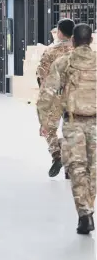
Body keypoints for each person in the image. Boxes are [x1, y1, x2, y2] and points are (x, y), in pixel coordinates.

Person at [37, 23, 96, 234]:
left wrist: (44, 121)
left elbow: (47, 93)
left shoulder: (63, 62)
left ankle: (85, 214)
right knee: (93, 170)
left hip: (73, 122)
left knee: (77, 168)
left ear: (73, 40)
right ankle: (88, 207)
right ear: (90, 40)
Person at [36, 18, 75, 178]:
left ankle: (57, 155)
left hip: (55, 97)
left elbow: (41, 75)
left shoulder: (51, 51)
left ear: (59, 32)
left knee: (49, 129)